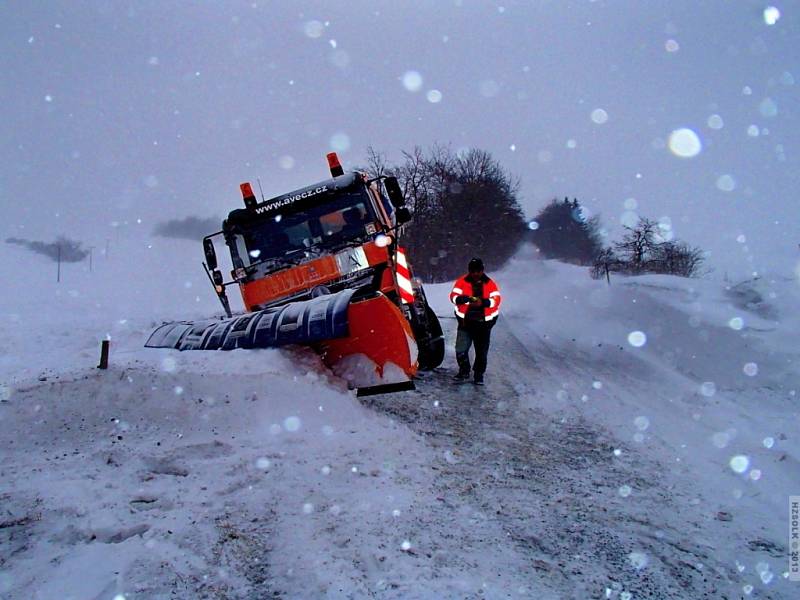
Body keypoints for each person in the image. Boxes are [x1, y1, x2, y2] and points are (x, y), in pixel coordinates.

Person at [449, 258, 502, 385]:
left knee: (481, 352)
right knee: (461, 349)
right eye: (473, 271)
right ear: (469, 271)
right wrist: (461, 299)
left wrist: (483, 302)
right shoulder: (461, 282)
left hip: (483, 324)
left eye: (478, 271)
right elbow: (453, 296)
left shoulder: (490, 284)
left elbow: (496, 300)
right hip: (465, 323)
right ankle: (464, 371)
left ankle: (479, 375)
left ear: (482, 271)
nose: (476, 274)